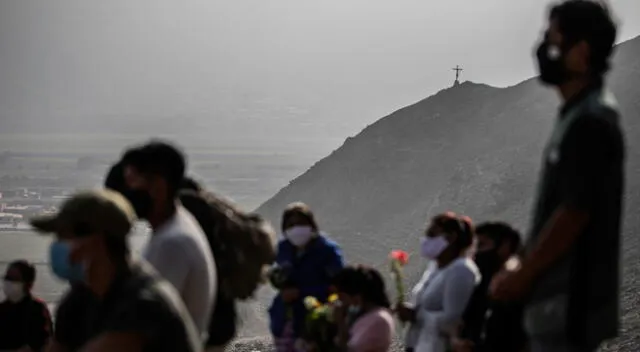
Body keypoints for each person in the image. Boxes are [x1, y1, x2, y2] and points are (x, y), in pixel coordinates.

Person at [490, 2, 624, 352]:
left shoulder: (590, 121)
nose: (544, 51)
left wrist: (524, 275)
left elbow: (574, 212)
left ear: (580, 52)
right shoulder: (576, 115)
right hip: (555, 306)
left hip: (567, 305)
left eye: (552, 41)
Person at [31, 190, 202, 352]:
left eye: (63, 236)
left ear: (97, 240)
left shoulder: (142, 304)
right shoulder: (80, 299)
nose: (57, 244)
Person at [118, 141, 217, 339]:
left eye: (132, 183)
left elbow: (144, 323)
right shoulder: (175, 228)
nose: (126, 194)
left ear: (157, 185)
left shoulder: (172, 244)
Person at [397, 212, 481, 352]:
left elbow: (452, 319)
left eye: (432, 235)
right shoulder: (434, 267)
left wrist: (416, 315)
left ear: (451, 238)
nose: (426, 240)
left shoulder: (461, 270)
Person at [269, 202, 344, 352]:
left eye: (301, 223)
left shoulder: (327, 251)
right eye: (291, 225)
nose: (296, 228)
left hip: (319, 321)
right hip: (287, 319)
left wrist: (303, 293)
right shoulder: (284, 249)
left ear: (311, 225)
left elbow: (339, 286)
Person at [455, 222, 526, 352]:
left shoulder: (522, 285)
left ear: (505, 246)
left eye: (481, 245)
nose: (475, 254)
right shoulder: (473, 292)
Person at [333, 265, 395, 352]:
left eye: (342, 297)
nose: (340, 302)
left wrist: (340, 322)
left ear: (356, 297)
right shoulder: (364, 317)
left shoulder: (378, 320)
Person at [0, 260, 52, 352]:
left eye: (15, 279)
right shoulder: (2, 309)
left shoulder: (38, 310)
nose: (9, 282)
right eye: (8, 278)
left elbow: (42, 343)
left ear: (28, 284)